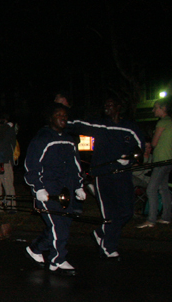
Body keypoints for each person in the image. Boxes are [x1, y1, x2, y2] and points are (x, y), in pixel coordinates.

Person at [67, 98, 144, 257]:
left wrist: (129, 159)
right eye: (105, 105)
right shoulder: (100, 125)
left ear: (118, 107)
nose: (106, 108)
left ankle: (101, 233)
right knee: (110, 214)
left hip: (123, 175)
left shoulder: (130, 127)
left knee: (127, 212)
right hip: (103, 175)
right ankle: (108, 248)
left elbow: (140, 148)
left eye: (110, 105)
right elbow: (79, 124)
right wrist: (60, 121)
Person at [24, 104, 86, 275]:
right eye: (58, 115)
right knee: (58, 225)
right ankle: (57, 260)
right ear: (50, 118)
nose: (63, 118)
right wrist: (38, 188)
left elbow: (76, 166)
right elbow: (31, 166)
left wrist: (79, 186)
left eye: (65, 115)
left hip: (65, 190)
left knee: (62, 224)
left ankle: (36, 248)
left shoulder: (69, 140)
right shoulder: (42, 139)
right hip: (48, 190)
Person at [138, 98, 172, 228]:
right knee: (163, 189)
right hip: (168, 160)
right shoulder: (170, 122)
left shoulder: (162, 122)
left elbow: (154, 143)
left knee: (151, 189)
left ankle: (151, 220)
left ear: (163, 108)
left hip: (161, 161)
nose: (153, 110)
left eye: (155, 107)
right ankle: (166, 217)